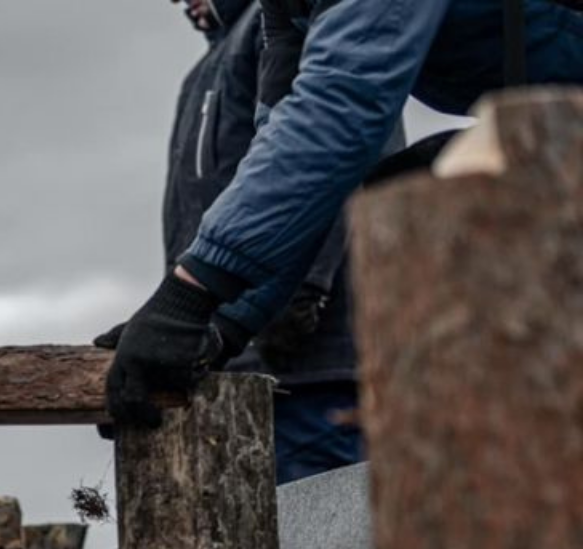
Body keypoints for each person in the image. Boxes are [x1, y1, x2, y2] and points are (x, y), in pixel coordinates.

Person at [99, 0, 583, 430]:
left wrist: (188, 294)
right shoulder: (288, 11)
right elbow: (294, 156)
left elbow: (340, 106)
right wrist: (219, 326)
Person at [133, 0, 386, 480]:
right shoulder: (203, 71)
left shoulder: (284, 26)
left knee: (322, 530)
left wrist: (304, 291)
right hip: (234, 359)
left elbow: (330, 150)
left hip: (311, 364)